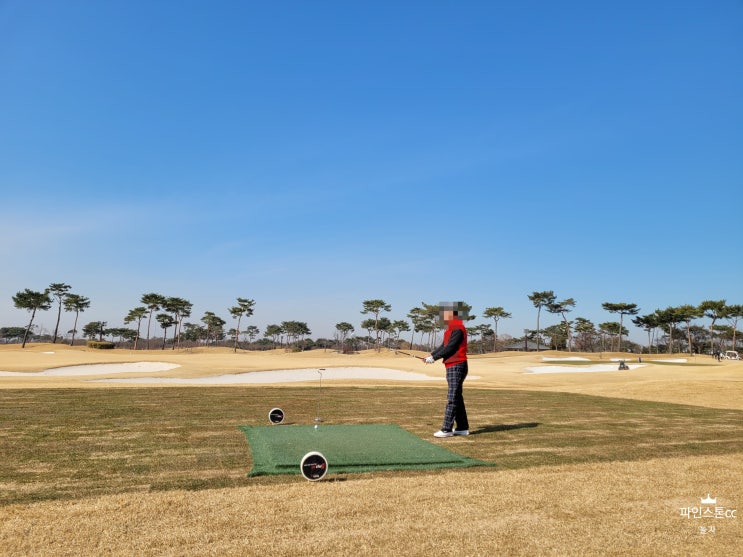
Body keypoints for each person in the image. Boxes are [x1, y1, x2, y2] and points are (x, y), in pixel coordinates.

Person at [424, 302, 469, 438]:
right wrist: (431, 355)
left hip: (457, 364)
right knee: (457, 397)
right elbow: (443, 346)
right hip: (451, 365)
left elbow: (450, 348)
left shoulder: (458, 328)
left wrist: (435, 358)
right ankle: (462, 427)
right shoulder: (450, 329)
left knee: (452, 397)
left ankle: (446, 429)